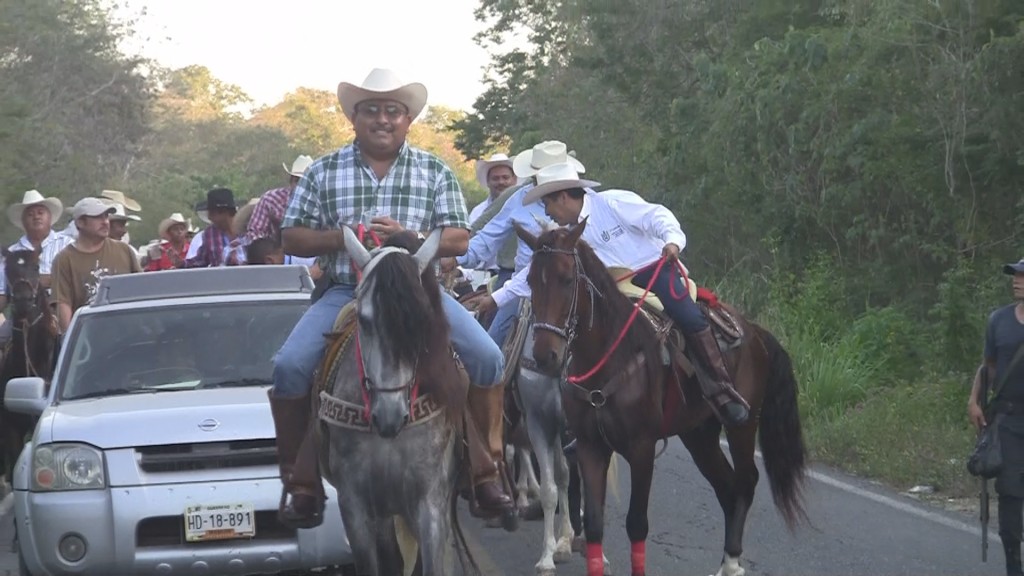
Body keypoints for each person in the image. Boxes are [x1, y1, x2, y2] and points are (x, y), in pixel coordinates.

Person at [269, 67, 511, 529]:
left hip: (422, 293)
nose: (383, 119)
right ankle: (300, 480)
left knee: (487, 357)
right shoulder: (324, 170)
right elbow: (292, 238)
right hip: (346, 288)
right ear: (354, 118)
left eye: (393, 111)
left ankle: (487, 469)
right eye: (372, 110)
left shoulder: (433, 169)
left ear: (407, 120)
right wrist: (341, 239)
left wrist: (409, 237)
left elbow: (460, 239)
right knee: (289, 366)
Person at [508, 162, 751, 427]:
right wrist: (498, 297)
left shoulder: (612, 202)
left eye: (547, 202)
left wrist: (672, 241)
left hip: (652, 271)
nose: (546, 211)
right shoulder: (564, 239)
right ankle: (587, 415)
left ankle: (722, 389)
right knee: (581, 329)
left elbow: (656, 215)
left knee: (687, 315)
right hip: (610, 289)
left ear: (563, 197)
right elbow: (544, 277)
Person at [442, 141, 586, 350]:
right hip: (523, 285)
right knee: (491, 348)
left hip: (570, 283)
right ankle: (493, 376)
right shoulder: (519, 198)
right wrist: (455, 256)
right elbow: (486, 239)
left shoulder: (580, 200)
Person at [969, 257, 1024, 576]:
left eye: (1022, 276)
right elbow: (988, 367)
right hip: (1008, 421)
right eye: (1015, 275)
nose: (1016, 280)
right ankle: (1014, 567)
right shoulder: (998, 321)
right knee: (1010, 493)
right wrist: (974, 400)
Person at [51, 198, 142, 332]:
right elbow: (63, 304)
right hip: (90, 337)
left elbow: (141, 288)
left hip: (129, 332)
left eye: (106, 216)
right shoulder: (64, 259)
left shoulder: (124, 250)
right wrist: (70, 341)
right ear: (80, 222)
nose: (105, 222)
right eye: (98, 217)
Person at [0, 190, 73, 344]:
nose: (36, 216)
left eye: (40, 212)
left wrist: (47, 281)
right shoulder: (12, 253)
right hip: (21, 316)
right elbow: (2, 292)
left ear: (49, 217)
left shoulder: (67, 245)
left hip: (61, 309)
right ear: (23, 221)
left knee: (71, 342)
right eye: (30, 214)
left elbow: (74, 278)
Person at [185, 188, 238, 268]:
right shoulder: (209, 234)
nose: (209, 217)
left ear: (224, 212)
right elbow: (200, 261)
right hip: (220, 280)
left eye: (212, 213)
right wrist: (181, 264)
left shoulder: (248, 230)